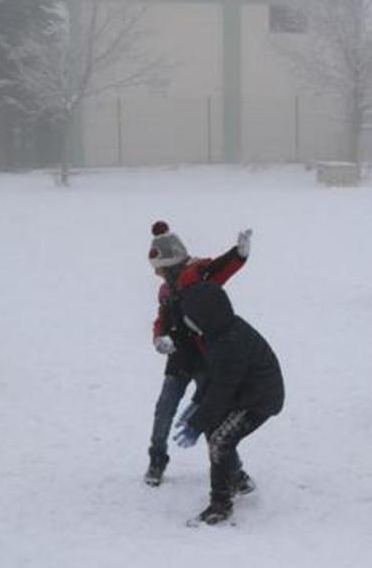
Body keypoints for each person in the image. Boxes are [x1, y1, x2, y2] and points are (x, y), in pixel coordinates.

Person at [145, 221, 251, 487]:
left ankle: (234, 471)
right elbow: (162, 318)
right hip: (179, 359)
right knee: (164, 409)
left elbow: (222, 267)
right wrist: (159, 337)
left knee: (211, 414)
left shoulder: (200, 275)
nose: (156, 274)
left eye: (159, 269)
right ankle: (157, 458)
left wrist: (238, 253)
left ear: (170, 264)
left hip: (207, 358)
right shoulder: (166, 290)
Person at [172, 281, 284, 526]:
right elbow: (214, 377)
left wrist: (197, 423)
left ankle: (220, 505)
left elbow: (223, 389)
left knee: (220, 439)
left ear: (205, 314)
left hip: (259, 399)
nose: (187, 322)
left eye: (190, 317)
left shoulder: (230, 341)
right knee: (216, 431)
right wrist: (196, 404)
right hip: (242, 393)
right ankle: (237, 479)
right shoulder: (217, 333)